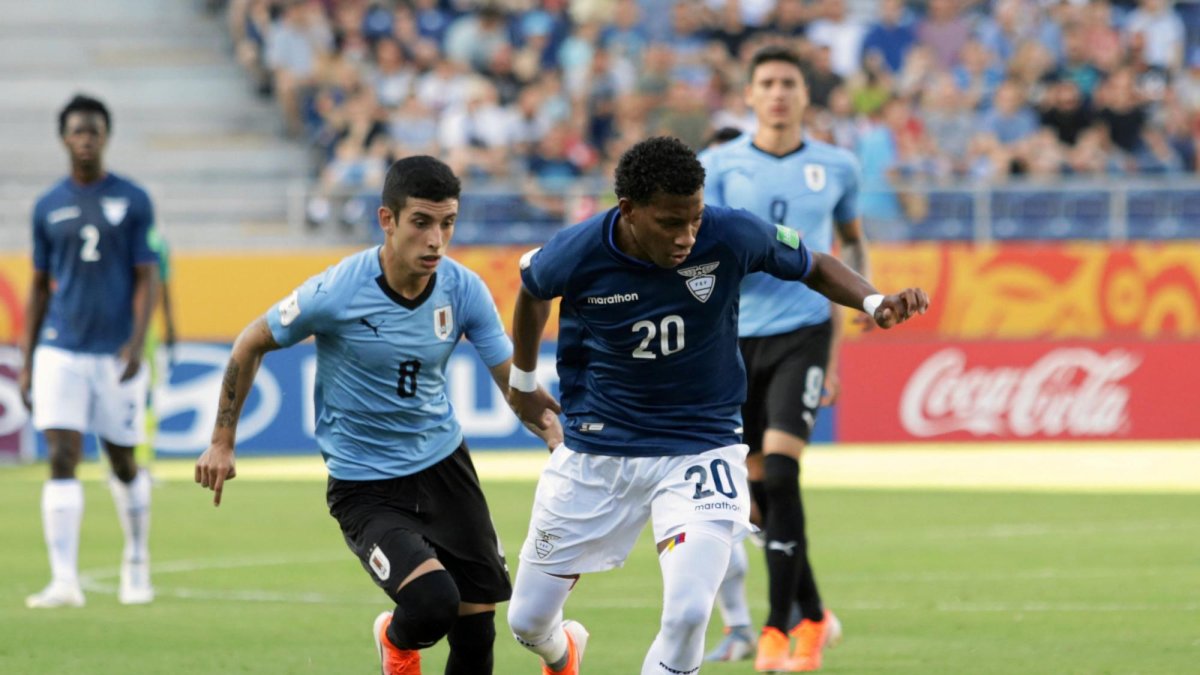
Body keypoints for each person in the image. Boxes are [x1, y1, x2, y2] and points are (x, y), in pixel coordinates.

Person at [504, 136, 927, 675]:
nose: (686, 236)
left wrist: (874, 299)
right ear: (628, 210)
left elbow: (814, 264)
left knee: (687, 615)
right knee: (527, 621)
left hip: (701, 447)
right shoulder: (578, 250)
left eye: (695, 219)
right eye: (670, 223)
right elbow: (533, 290)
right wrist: (522, 381)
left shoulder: (730, 232)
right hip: (598, 450)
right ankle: (563, 653)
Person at [194, 155, 560, 675]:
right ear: (387, 219)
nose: (436, 240)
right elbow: (250, 342)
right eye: (421, 223)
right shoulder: (338, 290)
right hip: (365, 484)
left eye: (448, 224)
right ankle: (395, 640)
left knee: (477, 633)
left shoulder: (463, 289)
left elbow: (514, 385)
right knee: (432, 604)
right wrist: (222, 440)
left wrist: (554, 433)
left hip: (445, 468)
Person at [698, 45, 869, 671]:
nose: (777, 93)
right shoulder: (718, 165)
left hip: (804, 332)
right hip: (734, 340)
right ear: (748, 95)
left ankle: (777, 628)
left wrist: (861, 303)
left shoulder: (837, 165)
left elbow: (851, 243)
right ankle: (815, 614)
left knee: (781, 471)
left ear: (805, 95)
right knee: (753, 492)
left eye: (788, 83)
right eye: (766, 83)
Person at [19, 94, 160, 608]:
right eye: (78, 131)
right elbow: (38, 287)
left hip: (114, 353)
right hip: (60, 349)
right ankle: (64, 581)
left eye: (94, 131)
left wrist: (136, 343)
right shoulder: (46, 206)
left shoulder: (133, 199)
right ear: (64, 138)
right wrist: (27, 360)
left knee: (122, 462)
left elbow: (148, 277)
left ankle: (136, 560)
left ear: (106, 137)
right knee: (61, 455)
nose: (86, 140)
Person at [134, 227, 178, 470]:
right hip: (144, 328)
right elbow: (163, 288)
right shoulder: (155, 241)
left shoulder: (112, 232)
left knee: (113, 391)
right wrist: (170, 327)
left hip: (113, 328)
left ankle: (114, 464)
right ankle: (142, 462)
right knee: (147, 394)